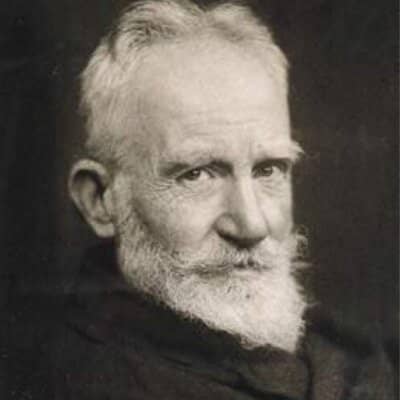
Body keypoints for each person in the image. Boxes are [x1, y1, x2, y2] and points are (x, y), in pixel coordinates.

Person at [29, 1, 396, 399]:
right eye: (197, 174)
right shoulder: (65, 381)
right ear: (99, 200)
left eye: (269, 169)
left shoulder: (355, 360)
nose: (252, 225)